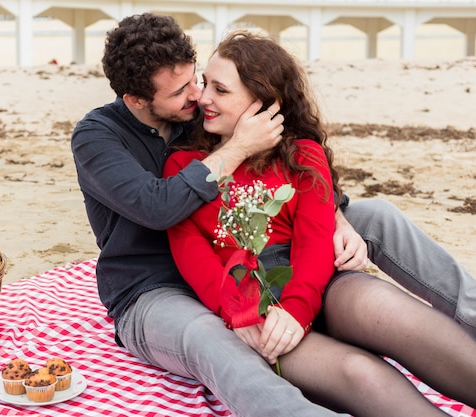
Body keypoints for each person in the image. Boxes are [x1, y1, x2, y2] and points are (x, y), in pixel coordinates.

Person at [71, 13, 475, 416]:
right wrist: (239, 148)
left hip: (262, 251)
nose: (197, 97)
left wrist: (336, 215)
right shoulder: (98, 136)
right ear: (137, 100)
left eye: (198, 80)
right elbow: (158, 207)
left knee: (378, 216)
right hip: (157, 283)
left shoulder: (199, 113)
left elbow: (299, 166)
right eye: (181, 91)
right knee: (211, 337)